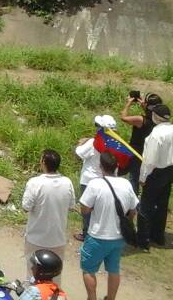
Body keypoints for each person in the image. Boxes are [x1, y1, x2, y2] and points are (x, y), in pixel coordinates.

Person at [79, 152, 138, 300]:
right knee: (114, 270)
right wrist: (126, 221)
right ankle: (111, 298)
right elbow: (133, 210)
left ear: (100, 167)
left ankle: (92, 298)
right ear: (117, 167)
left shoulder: (95, 184)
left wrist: (94, 209)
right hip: (118, 238)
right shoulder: (126, 184)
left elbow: (84, 209)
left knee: (88, 270)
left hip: (97, 236)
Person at [22, 148, 76, 283]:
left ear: (44, 162)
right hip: (58, 239)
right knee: (55, 277)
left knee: (32, 276)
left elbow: (26, 207)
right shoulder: (67, 182)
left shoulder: (35, 182)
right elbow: (71, 206)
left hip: (36, 239)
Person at [138, 102, 172, 249]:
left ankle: (143, 239)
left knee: (146, 205)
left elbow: (149, 161)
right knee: (162, 205)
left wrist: (143, 178)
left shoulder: (156, 135)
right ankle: (158, 236)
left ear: (155, 117)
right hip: (170, 171)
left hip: (155, 172)